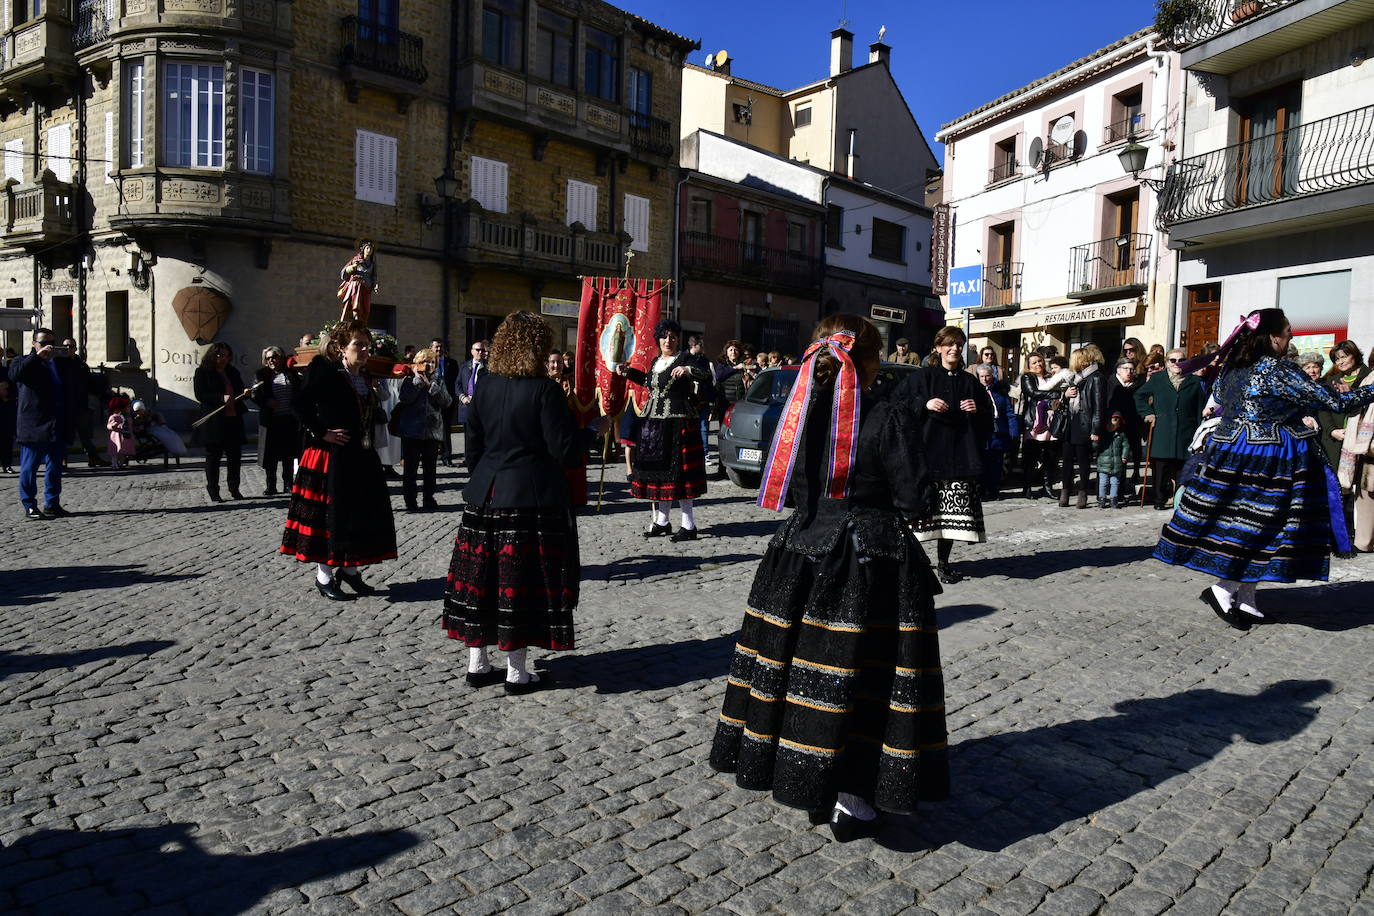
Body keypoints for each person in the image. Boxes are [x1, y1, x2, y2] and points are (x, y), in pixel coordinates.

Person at [710, 313, 947, 841]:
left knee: (801, 671)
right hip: (868, 561)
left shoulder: (796, 415)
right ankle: (853, 798)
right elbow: (915, 499)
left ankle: (807, 780)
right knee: (865, 679)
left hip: (797, 554)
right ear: (867, 360)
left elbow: (793, 490)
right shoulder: (888, 415)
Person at [1155, 309, 1374, 629]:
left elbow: (1220, 397)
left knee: (1243, 521)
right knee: (1264, 524)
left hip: (1232, 451)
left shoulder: (1233, 368)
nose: (1291, 336)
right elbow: (1337, 403)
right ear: (1272, 337)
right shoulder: (1280, 370)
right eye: (1287, 331)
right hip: (1270, 456)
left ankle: (1246, 597)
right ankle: (1225, 588)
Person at [443, 311, 587, 694]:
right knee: (519, 584)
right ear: (536, 348)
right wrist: (590, 430)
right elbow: (565, 452)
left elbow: (472, 445)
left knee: (481, 581)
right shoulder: (544, 390)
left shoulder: (486, 386)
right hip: (529, 500)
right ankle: (516, 673)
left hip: (484, 497)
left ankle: (477, 664)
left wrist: (486, 477)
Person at [280, 321, 396, 600]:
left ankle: (351, 571)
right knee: (331, 516)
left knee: (358, 513)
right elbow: (299, 405)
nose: (365, 350)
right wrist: (323, 432)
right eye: (359, 345)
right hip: (330, 455)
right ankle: (324, 576)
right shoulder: (324, 369)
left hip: (360, 455)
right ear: (342, 347)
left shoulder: (365, 375)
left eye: (368, 345)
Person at [898, 326, 992, 583]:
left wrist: (977, 410)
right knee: (919, 517)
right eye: (949, 344)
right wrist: (923, 404)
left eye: (959, 345)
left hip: (959, 459)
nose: (954, 349)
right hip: (926, 458)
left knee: (950, 520)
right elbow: (896, 406)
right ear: (938, 347)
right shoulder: (921, 378)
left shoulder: (969, 381)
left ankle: (944, 563)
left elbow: (988, 418)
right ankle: (914, 563)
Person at [614, 319, 711, 540]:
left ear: (679, 340)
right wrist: (627, 372)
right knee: (660, 474)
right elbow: (648, 381)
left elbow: (706, 374)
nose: (668, 341)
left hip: (678, 423)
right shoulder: (656, 360)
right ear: (658, 339)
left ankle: (689, 525)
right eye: (665, 336)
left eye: (673, 337)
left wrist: (687, 370)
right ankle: (662, 521)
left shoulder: (686, 358)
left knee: (680, 475)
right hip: (653, 424)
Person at [9, 328, 86, 519]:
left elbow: (78, 382)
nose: (48, 347)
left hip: (57, 424)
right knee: (29, 468)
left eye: (51, 342)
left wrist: (70, 358)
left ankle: (52, 503)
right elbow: (15, 375)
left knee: (55, 467)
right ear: (34, 344)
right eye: (43, 343)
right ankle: (29, 505)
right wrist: (37, 357)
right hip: (34, 425)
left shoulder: (61, 364)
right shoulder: (23, 361)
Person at [1135, 348, 1206, 510]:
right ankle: (1159, 500)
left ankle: (1178, 499)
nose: (1176, 364)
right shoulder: (1157, 378)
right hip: (1162, 429)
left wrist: (1199, 430)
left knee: (1183, 469)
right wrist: (1148, 413)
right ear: (1167, 363)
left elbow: (1198, 408)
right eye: (1172, 360)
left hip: (1185, 431)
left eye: (1180, 360)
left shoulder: (1193, 381)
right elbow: (1139, 396)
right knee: (1161, 468)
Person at [394, 347, 451, 511]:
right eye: (425, 361)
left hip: (432, 432)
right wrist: (418, 383)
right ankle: (410, 501)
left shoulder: (438, 380)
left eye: (432, 362)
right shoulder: (409, 379)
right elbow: (404, 398)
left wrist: (432, 387)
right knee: (410, 469)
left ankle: (429, 498)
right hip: (411, 431)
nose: (429, 365)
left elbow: (447, 402)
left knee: (430, 469)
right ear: (417, 363)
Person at [193, 342, 248, 502]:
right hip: (214, 421)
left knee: (234, 457)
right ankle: (213, 490)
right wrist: (220, 398)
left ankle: (234, 488)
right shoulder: (203, 372)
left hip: (233, 420)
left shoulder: (232, 372)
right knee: (213, 457)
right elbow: (200, 394)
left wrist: (245, 394)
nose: (223, 359)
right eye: (220, 355)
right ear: (213, 355)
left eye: (226, 356)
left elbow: (238, 392)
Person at [1059, 345, 1107, 510]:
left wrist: (1095, 430)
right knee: (1066, 460)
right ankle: (1065, 492)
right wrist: (1065, 396)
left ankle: (1082, 493)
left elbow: (1099, 407)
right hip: (1071, 422)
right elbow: (1064, 402)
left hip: (1084, 424)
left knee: (1083, 461)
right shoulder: (1074, 378)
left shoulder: (1096, 378)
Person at [254, 346, 302, 496]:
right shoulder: (261, 374)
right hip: (271, 420)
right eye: (268, 358)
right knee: (271, 456)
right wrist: (267, 401)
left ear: (281, 357)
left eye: (274, 356)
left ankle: (288, 483)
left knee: (288, 454)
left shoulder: (291, 374)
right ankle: (271, 485)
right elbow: (255, 395)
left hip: (289, 419)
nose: (271, 360)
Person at [547, 350, 590, 507]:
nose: (556, 365)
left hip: (567, 428)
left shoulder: (569, 382)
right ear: (547, 364)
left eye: (558, 362)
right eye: (553, 362)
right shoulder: (542, 382)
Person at [1018, 353, 1057, 499]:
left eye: (1039, 361)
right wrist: (1054, 394)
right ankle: (1027, 488)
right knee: (1031, 457)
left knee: (1050, 457)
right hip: (1034, 422)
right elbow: (1033, 393)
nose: (1038, 364)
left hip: (1051, 421)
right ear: (1028, 365)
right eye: (1034, 362)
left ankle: (1047, 487)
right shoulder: (1027, 377)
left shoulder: (1049, 377)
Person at [1106, 357, 1144, 494]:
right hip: (1116, 425)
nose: (1129, 372)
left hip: (1134, 424)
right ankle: (1118, 487)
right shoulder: (1111, 382)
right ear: (1118, 370)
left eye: (1131, 369)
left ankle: (1135, 472)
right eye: (1126, 369)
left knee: (1134, 449)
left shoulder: (1138, 384)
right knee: (1118, 456)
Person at [975, 363, 1011, 501]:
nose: (985, 379)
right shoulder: (975, 390)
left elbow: (1009, 411)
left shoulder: (1000, 390)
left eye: (987, 376)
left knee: (996, 463)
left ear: (992, 375)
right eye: (982, 376)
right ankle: (982, 491)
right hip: (982, 432)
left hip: (998, 432)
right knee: (982, 463)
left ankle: (994, 490)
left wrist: (1012, 432)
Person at [455, 340, 488, 466]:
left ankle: (481, 459)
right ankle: (468, 459)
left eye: (482, 350)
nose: (480, 352)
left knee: (482, 434)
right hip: (466, 405)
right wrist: (462, 397)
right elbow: (457, 384)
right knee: (467, 435)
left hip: (482, 407)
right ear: (472, 351)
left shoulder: (488, 367)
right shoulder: (465, 366)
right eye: (478, 350)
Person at [431, 338, 460, 465]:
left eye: (441, 347)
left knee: (446, 430)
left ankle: (447, 457)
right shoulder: (427, 363)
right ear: (431, 348)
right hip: (431, 402)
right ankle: (431, 457)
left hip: (447, 401)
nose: (439, 349)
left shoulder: (452, 363)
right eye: (436, 347)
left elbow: (456, 382)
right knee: (431, 430)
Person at [337, 239, 378, 325]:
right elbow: (344, 272)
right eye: (367, 248)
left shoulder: (372, 264)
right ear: (363, 249)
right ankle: (355, 316)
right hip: (356, 284)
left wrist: (375, 285)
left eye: (371, 249)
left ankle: (361, 321)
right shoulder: (356, 259)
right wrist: (354, 266)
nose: (369, 250)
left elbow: (374, 276)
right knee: (356, 299)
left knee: (365, 307)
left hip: (367, 286)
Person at [1095, 411, 1130, 509]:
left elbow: (1126, 446)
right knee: (1103, 483)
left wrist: (1124, 456)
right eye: (1110, 425)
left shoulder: (1121, 435)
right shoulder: (1102, 435)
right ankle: (1102, 499)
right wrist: (1096, 442)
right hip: (1103, 464)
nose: (1112, 427)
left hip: (1116, 464)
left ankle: (1113, 499)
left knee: (1115, 482)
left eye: (1115, 425)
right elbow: (1095, 447)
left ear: (1119, 425)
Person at [105, 393, 135, 470]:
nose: (129, 408)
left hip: (125, 437)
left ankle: (121, 464)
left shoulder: (128, 418)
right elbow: (109, 425)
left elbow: (131, 426)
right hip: (116, 437)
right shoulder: (114, 417)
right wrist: (113, 426)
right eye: (127, 407)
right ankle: (114, 464)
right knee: (115, 452)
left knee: (123, 453)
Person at [0, 378, 16, 473]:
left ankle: (7, 465)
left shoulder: (9, 366)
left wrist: (7, 393)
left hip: (6, 407)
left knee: (7, 440)